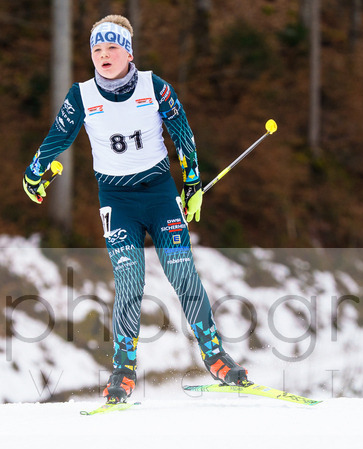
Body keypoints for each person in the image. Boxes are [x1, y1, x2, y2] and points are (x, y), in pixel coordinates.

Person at [23, 14, 248, 404]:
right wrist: (34, 171)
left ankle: (214, 356)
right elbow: (58, 137)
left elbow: (182, 132)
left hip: (160, 195)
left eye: (112, 47)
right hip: (117, 201)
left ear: (128, 53)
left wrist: (192, 182)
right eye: (97, 49)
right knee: (130, 280)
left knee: (181, 271)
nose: (104, 55)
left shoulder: (154, 87)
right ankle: (123, 370)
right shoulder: (82, 96)